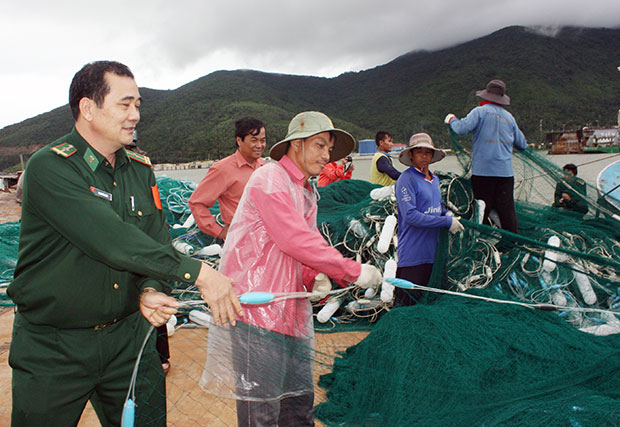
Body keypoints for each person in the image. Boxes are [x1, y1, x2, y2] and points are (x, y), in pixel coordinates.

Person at [7, 60, 242, 426]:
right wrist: (201, 274)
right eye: (125, 104)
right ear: (88, 108)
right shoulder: (51, 167)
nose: (135, 114)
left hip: (130, 339)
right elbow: (110, 239)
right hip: (55, 347)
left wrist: (148, 288)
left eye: (138, 104)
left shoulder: (139, 168)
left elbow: (154, 240)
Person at [200, 111, 382, 426]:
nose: (326, 156)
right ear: (296, 144)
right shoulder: (270, 178)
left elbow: (307, 242)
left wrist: (316, 275)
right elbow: (293, 239)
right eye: (320, 145)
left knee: (298, 404)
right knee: (263, 409)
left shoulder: (307, 191)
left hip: (290, 311)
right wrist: (352, 271)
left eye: (330, 148)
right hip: (257, 315)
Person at [445, 79, 527, 233]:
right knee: (507, 211)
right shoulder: (509, 117)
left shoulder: (480, 112)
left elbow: (461, 128)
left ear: (486, 95)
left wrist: (452, 119)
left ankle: (480, 243)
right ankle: (512, 244)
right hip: (505, 174)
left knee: (482, 209)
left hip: (483, 174)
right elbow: (522, 143)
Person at [394, 133, 464, 306]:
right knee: (407, 307)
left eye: (428, 152)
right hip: (413, 256)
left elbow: (435, 206)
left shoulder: (434, 180)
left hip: (434, 255)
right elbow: (410, 216)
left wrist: (445, 213)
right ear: (411, 155)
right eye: (419, 152)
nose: (424, 156)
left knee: (433, 304)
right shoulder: (406, 179)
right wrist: (446, 222)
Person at [189, 117, 267, 240]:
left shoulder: (263, 166)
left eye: (262, 140)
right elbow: (197, 202)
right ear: (239, 140)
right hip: (241, 240)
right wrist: (219, 232)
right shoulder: (222, 169)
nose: (259, 145)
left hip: (266, 236)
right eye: (253, 140)